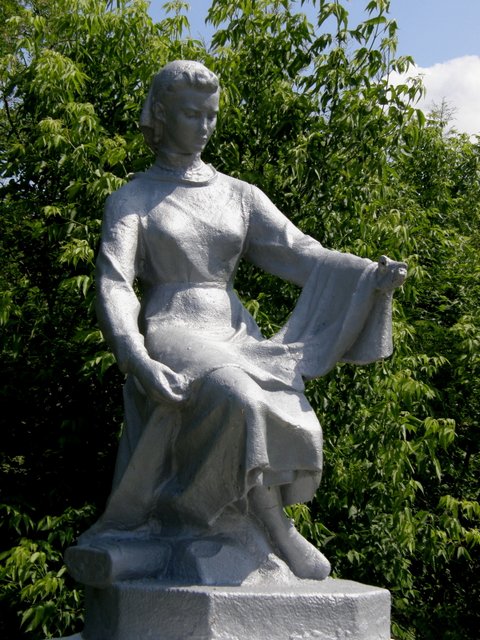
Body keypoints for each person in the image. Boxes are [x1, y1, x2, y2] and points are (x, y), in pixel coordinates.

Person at [84, 60, 406, 583]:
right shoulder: (131, 199)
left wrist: (369, 275)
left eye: (211, 115)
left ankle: (253, 528)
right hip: (173, 325)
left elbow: (298, 251)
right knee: (239, 397)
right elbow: (114, 282)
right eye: (192, 114)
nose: (205, 126)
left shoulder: (239, 194)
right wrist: (135, 355)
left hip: (233, 329)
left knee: (286, 404)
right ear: (161, 115)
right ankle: (271, 527)